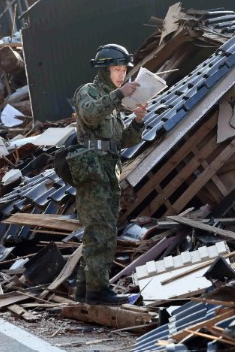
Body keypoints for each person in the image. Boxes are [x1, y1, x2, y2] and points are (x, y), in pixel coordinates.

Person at [67, 44, 147, 305]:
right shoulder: (89, 92)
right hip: (92, 169)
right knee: (100, 229)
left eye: (124, 70)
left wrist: (137, 121)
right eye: (116, 69)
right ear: (104, 70)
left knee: (102, 229)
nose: (121, 75)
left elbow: (121, 140)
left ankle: (85, 290)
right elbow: (89, 115)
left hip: (108, 167)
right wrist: (118, 95)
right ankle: (99, 291)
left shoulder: (114, 101)